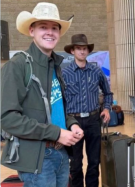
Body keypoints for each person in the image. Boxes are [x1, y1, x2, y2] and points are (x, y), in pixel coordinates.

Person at [1, 2, 84, 187]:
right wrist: (55, 133)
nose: (50, 32)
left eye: (55, 28)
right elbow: (7, 118)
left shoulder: (55, 66)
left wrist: (72, 124)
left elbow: (57, 108)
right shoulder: (17, 65)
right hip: (38, 159)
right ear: (32, 31)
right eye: (43, 27)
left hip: (61, 153)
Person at [62, 34, 113, 187]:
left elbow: (108, 93)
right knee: (75, 164)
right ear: (72, 51)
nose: (82, 51)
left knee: (94, 161)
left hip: (93, 121)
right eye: (78, 48)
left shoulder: (96, 71)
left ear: (88, 51)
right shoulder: (64, 73)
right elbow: (60, 100)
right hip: (73, 122)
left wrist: (107, 108)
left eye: (84, 49)